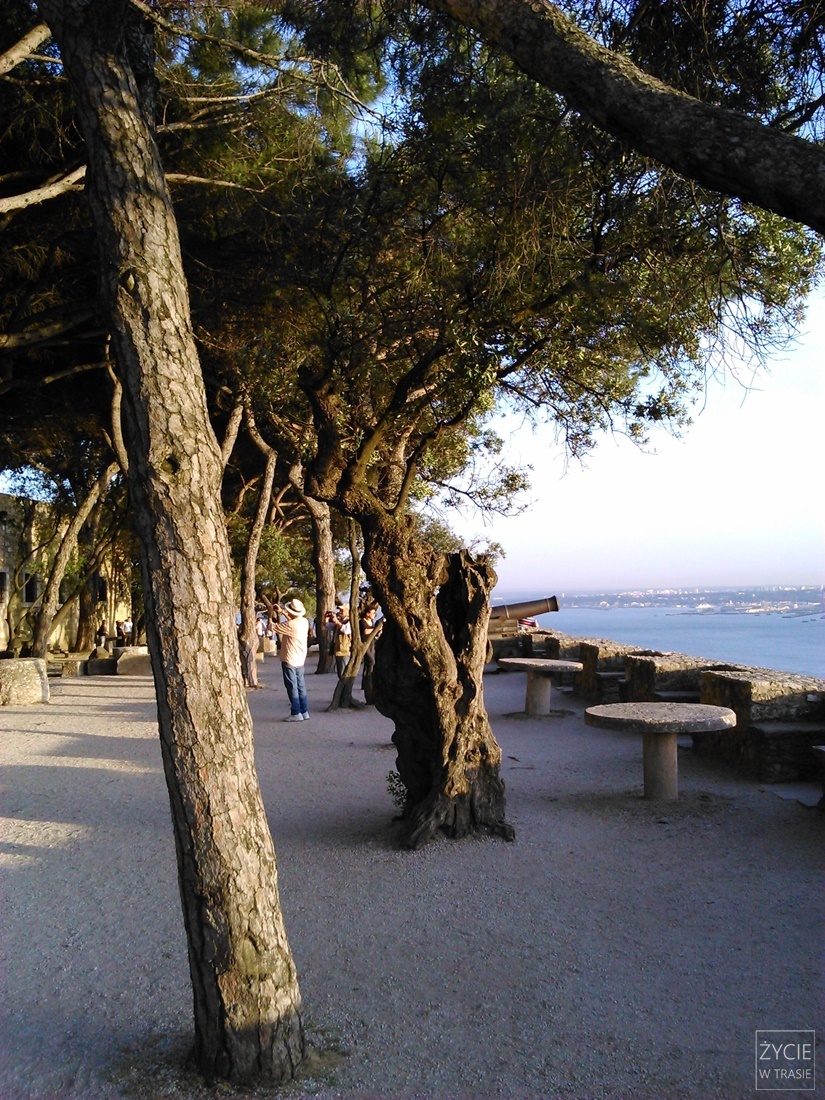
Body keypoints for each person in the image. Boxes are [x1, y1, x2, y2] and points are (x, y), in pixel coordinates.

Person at [270, 598, 310, 722]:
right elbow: (292, 620)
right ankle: (304, 711)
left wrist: (270, 614)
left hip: (290, 658)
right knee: (301, 685)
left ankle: (296, 712)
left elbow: (273, 627)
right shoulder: (304, 622)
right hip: (300, 657)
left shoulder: (291, 625)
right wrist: (282, 612)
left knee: (292, 686)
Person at [332, 607, 352, 678]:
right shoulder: (340, 621)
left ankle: (345, 685)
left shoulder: (350, 621)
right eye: (340, 610)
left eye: (342, 610)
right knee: (340, 672)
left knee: (344, 672)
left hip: (345, 650)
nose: (340, 612)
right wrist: (327, 619)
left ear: (348, 611)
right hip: (338, 650)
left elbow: (346, 630)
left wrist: (336, 622)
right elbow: (329, 627)